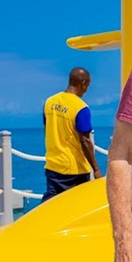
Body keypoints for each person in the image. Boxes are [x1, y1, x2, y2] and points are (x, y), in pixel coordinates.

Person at [42, 66, 102, 202]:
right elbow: (85, 141)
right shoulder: (81, 108)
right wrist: (96, 169)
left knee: (50, 207)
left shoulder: (49, 102)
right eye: (88, 86)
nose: (86, 90)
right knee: (76, 208)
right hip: (75, 171)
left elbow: (48, 128)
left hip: (53, 166)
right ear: (83, 83)